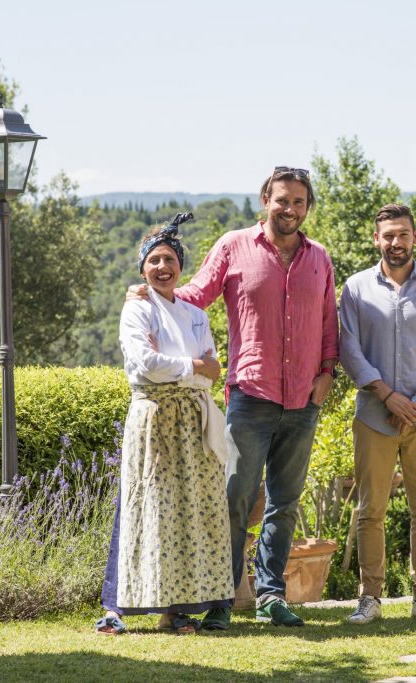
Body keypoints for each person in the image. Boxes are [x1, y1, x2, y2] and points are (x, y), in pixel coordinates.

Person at [127, 167, 338, 628]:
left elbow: (327, 322)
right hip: (251, 395)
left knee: (285, 502)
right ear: (266, 199)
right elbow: (196, 295)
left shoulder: (319, 257)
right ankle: (222, 599)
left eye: (299, 202)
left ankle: (270, 596)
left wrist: (326, 375)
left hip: (303, 399)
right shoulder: (233, 245)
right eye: (283, 200)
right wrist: (153, 293)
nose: (290, 209)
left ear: (307, 207)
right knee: (235, 498)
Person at [97, 215, 234, 635]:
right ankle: (118, 606)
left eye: (169, 259)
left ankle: (176, 609)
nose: (162, 267)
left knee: (187, 512)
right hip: (154, 419)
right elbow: (146, 364)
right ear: (143, 268)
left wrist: (188, 369)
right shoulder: (136, 309)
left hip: (193, 420)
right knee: (146, 506)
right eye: (154, 260)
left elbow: (212, 370)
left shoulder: (195, 314)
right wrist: (190, 365)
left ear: (180, 267)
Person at [339, 203, 416, 625]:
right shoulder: (354, 289)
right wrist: (389, 397)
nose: (395, 242)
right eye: (388, 235)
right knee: (370, 509)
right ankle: (369, 597)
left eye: (402, 234)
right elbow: (348, 349)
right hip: (374, 414)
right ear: (377, 239)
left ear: (415, 238)